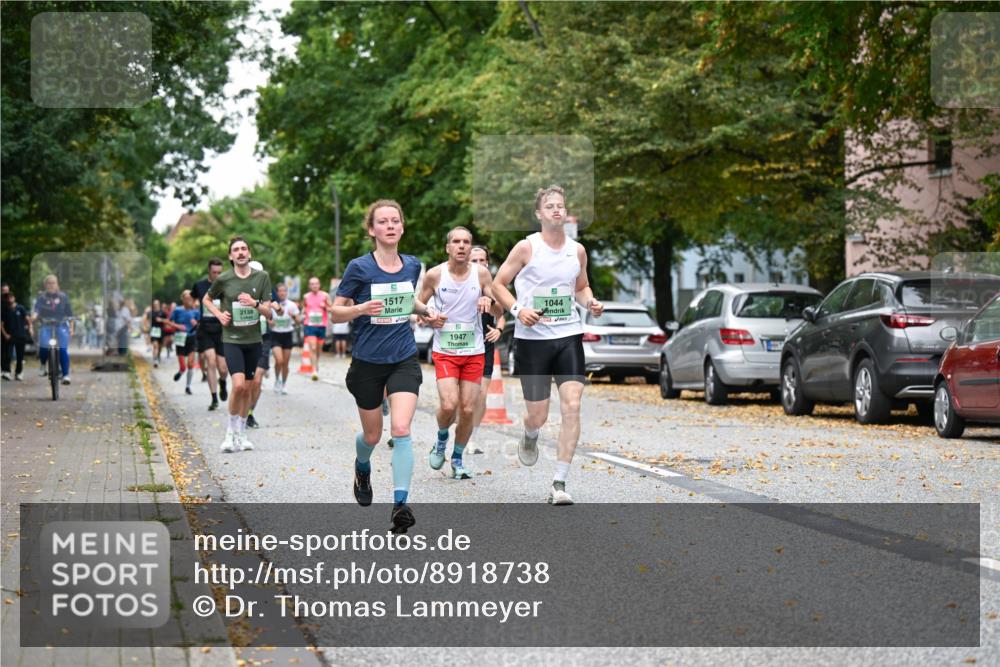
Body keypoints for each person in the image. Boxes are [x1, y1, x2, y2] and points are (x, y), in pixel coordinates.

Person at [331, 199, 443, 533]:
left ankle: (399, 505)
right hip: (367, 361)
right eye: (383, 221)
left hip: (403, 357)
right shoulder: (359, 268)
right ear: (372, 229)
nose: (390, 225)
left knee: (402, 429)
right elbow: (336, 311)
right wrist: (360, 308)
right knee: (372, 434)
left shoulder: (412, 265)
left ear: (402, 227)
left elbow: (409, 299)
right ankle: (362, 466)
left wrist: (427, 312)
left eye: (396, 220)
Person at [491, 185, 604, 505]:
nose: (557, 210)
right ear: (540, 214)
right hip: (533, 341)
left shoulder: (577, 250)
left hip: (568, 336)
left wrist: (591, 302)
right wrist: (518, 310)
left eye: (561, 206)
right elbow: (498, 284)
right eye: (550, 206)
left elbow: (581, 287)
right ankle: (530, 434)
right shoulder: (526, 248)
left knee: (572, 405)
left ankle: (559, 481)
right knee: (537, 415)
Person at [416, 227, 500, 480]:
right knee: (449, 404)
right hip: (445, 351)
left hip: (474, 351)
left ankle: (457, 458)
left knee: (466, 409)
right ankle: (442, 438)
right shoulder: (434, 275)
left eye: (466, 242)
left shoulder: (482, 274)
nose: (461, 246)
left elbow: (499, 311)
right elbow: (418, 309)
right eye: (456, 242)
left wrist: (490, 303)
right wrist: (430, 318)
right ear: (448, 247)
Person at [204, 237, 271, 453]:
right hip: (232, 340)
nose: (240, 252)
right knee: (239, 386)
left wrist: (255, 304)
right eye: (236, 250)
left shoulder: (262, 278)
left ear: (249, 254)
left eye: (244, 249)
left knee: (249, 388)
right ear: (230, 256)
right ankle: (229, 433)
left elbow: (269, 312)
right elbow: (207, 299)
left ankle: (242, 433)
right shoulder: (224, 279)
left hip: (254, 340)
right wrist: (218, 314)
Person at [468, 245, 506, 453]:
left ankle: (472, 437)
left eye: (482, 260)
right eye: (474, 261)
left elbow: (501, 314)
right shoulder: (457, 281)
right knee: (461, 397)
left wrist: (499, 330)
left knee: (480, 395)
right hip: (460, 344)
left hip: (484, 343)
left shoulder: (492, 286)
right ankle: (456, 431)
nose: (479, 264)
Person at [191, 258, 230, 411]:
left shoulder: (226, 286)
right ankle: (214, 398)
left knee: (223, 368)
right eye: (214, 272)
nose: (217, 275)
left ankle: (223, 382)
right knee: (211, 361)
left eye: (220, 272)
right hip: (205, 328)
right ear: (209, 271)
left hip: (221, 329)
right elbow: (193, 298)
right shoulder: (200, 286)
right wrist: (194, 314)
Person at [32, 274, 75, 385]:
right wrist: (34, 316)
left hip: (61, 325)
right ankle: (42, 365)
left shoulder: (63, 297)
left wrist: (71, 328)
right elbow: (37, 310)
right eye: (49, 283)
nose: (51, 285)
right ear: (45, 285)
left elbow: (70, 314)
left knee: (63, 350)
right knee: (43, 345)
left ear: (57, 284)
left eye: (53, 283)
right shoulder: (41, 297)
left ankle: (66, 375)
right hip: (46, 325)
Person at [246, 260, 273, 428]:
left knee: (257, 380)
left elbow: (276, 308)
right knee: (244, 383)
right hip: (243, 338)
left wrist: (276, 308)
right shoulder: (238, 289)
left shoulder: (268, 289)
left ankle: (249, 413)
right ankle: (240, 412)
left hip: (263, 338)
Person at [269, 282, 299, 394]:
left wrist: (294, 316)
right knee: (279, 360)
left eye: (284, 291)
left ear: (287, 292)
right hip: (276, 335)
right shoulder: (273, 304)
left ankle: (284, 384)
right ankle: (277, 380)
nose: (282, 293)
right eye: (280, 291)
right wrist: (270, 322)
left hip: (287, 335)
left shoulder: (292, 305)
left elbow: (299, 321)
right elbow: (268, 318)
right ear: (276, 293)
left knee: (285, 363)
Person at [170, 290, 200, 395]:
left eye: (190, 298)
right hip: (180, 338)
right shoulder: (177, 310)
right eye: (186, 298)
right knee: (183, 366)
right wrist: (178, 326)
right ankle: (181, 371)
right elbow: (169, 322)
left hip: (192, 338)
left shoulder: (196, 311)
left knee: (191, 364)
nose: (188, 300)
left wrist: (196, 323)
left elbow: (200, 325)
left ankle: (188, 386)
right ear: (182, 299)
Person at [302, 276, 333, 381]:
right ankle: (314, 370)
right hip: (309, 325)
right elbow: (304, 308)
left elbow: (331, 309)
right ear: (309, 286)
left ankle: (316, 363)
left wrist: (325, 306)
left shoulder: (325, 295)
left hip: (321, 325)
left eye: (316, 283)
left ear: (319, 285)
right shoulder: (306, 296)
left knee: (319, 349)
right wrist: (303, 312)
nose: (314, 285)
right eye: (312, 284)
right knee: (313, 347)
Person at [1, 292, 32, 380]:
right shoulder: (5, 310)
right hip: (10, 336)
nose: (9, 299)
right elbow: (1, 324)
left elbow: (27, 319)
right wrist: (5, 334)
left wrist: (30, 328)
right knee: (8, 355)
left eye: (11, 297)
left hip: (21, 335)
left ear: (14, 298)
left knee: (20, 356)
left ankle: (18, 373)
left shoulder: (20, 308)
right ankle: (7, 372)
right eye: (8, 298)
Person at [148, 299, 168, 368]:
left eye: (157, 304)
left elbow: (167, 321)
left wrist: (161, 320)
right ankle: (155, 360)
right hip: (153, 331)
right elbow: (146, 320)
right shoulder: (151, 313)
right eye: (154, 304)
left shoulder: (163, 313)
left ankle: (158, 355)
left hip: (161, 331)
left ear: (159, 304)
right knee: (155, 345)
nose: (155, 305)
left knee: (160, 346)